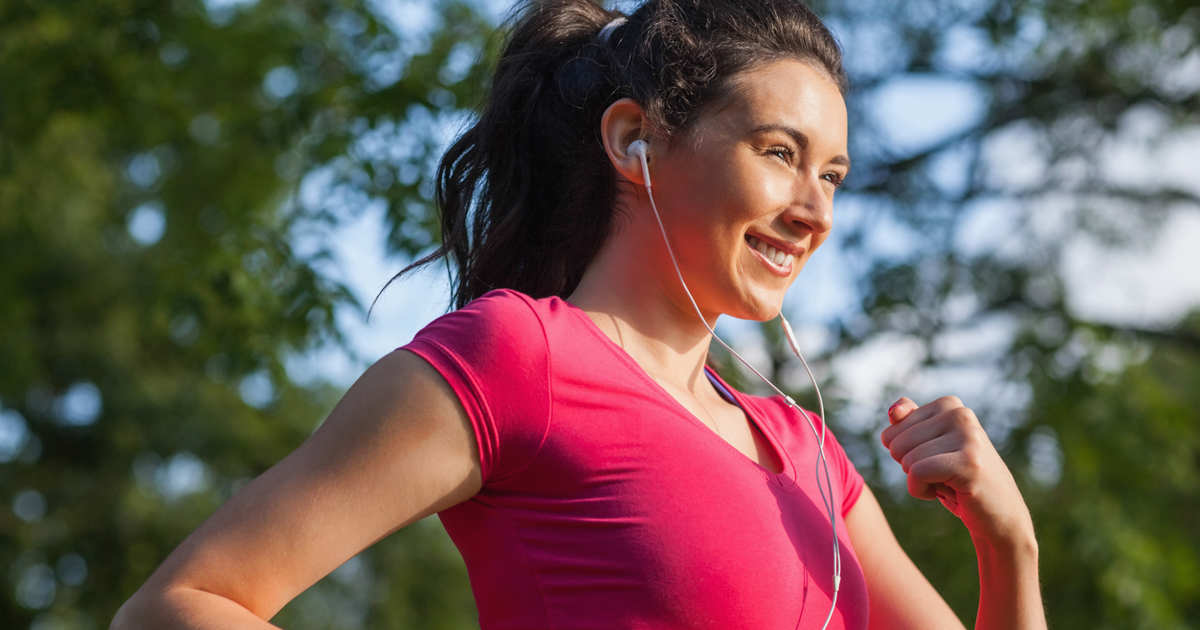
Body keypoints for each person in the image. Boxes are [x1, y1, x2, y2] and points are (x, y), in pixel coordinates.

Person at [112, 0, 1047, 628]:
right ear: (635, 140)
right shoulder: (521, 358)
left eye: (833, 174)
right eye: (778, 152)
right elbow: (182, 605)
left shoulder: (809, 453)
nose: (817, 211)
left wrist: (1008, 545)